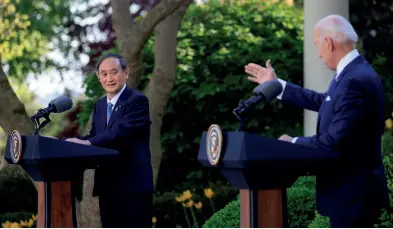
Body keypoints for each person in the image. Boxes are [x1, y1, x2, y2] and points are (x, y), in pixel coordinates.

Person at [245, 14, 390, 227]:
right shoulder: (352, 73)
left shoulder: (354, 80)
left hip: (354, 197)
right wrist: (277, 86)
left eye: (317, 44)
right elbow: (325, 101)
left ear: (328, 43)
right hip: (352, 195)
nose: (318, 53)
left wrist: (292, 143)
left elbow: (333, 141)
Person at [65, 53, 154, 227]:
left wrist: (88, 143)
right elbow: (95, 136)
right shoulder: (99, 105)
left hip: (133, 187)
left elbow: (120, 132)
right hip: (108, 186)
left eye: (114, 72)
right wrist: (67, 142)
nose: (109, 78)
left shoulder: (137, 100)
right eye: (104, 74)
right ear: (99, 78)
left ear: (126, 73)